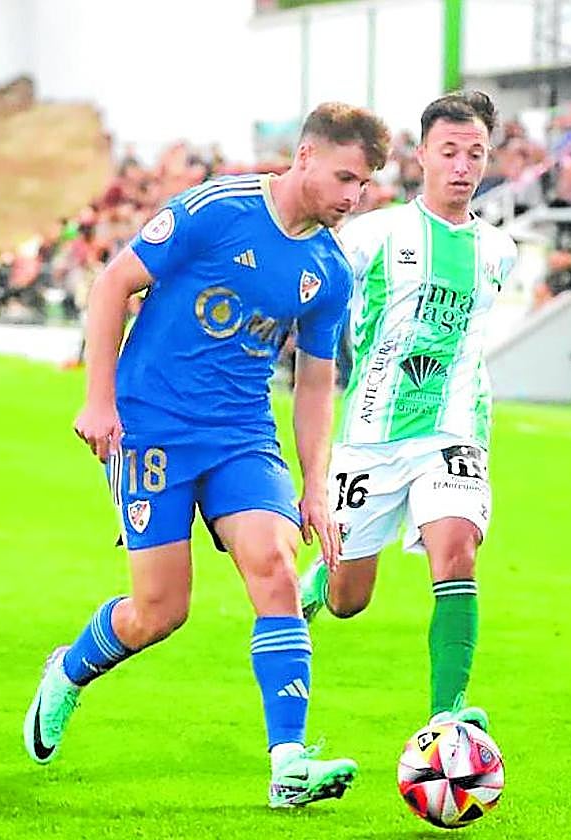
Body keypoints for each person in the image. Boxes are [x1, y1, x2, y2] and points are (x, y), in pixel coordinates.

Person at [22, 103, 391, 809]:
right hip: (152, 428)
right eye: (344, 176)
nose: (352, 196)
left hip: (241, 435)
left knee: (276, 566)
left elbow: (316, 382)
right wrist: (97, 401)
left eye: (364, 184)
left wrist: (316, 485)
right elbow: (111, 286)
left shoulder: (329, 271)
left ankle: (288, 763)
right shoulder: (216, 209)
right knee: (158, 612)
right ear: (305, 156)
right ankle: (68, 670)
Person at [296, 91, 518, 734]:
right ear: (421, 155)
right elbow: (314, 290)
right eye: (449, 152)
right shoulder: (371, 235)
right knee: (348, 600)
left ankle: (447, 719)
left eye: (475, 153)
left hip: (454, 429)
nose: (463, 166)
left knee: (457, 553)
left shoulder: (499, 250)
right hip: (370, 436)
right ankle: (319, 584)